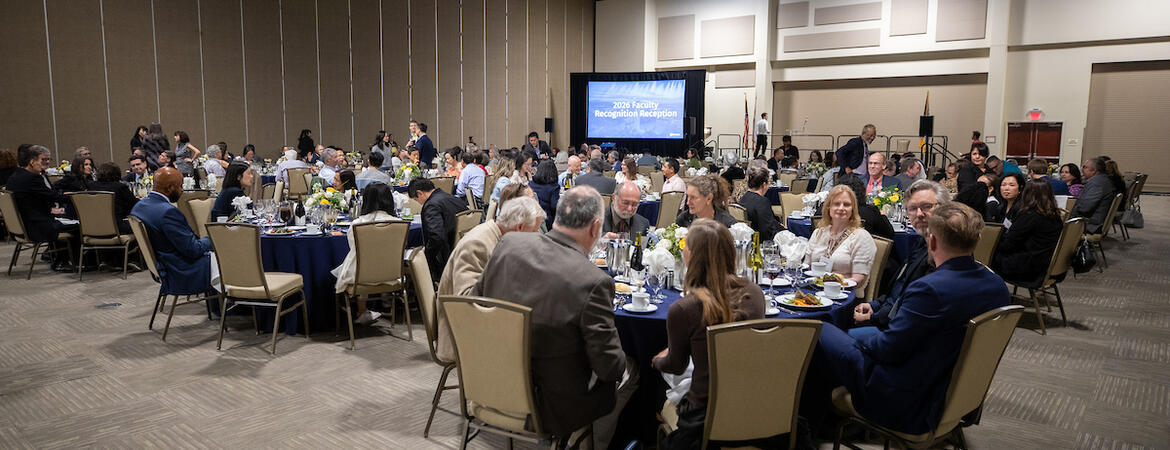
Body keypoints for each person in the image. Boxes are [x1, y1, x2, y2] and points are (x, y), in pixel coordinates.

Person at [804, 202, 1009, 436]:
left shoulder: (930, 289)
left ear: (932, 241)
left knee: (818, 329)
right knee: (844, 337)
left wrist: (860, 337)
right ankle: (821, 420)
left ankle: (807, 427)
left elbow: (888, 350)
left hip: (905, 398)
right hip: (948, 387)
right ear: (978, 238)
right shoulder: (997, 286)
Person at [472, 186, 628, 445]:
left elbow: (475, 303)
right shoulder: (593, 281)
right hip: (549, 406)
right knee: (630, 370)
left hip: (488, 383)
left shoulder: (509, 243)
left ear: (557, 217)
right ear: (595, 227)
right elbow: (609, 367)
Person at [654, 219, 767, 449]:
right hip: (757, 408)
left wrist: (656, 360)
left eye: (686, 246)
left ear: (693, 256)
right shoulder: (755, 293)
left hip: (706, 416)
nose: (683, 250)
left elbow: (675, 365)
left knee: (657, 384)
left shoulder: (685, 308)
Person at [435, 196, 545, 360]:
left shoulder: (500, 237)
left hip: (488, 322)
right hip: (466, 333)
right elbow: (465, 301)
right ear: (520, 227)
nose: (537, 236)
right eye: (535, 231)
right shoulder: (478, 244)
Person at [851, 180, 949, 337]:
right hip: (887, 315)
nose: (919, 214)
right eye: (912, 209)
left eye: (927, 206)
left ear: (944, 208)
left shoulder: (943, 252)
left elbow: (916, 309)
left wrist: (874, 317)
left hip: (898, 332)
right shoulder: (920, 243)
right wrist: (875, 305)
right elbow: (900, 288)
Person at [129, 167, 212, 294]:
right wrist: (212, 238)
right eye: (180, 186)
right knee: (227, 258)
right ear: (169, 188)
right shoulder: (168, 212)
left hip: (163, 266)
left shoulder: (139, 206)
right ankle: (230, 302)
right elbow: (193, 250)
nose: (182, 190)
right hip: (181, 271)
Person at [331, 183, 400, 324]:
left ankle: (361, 310)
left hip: (361, 277)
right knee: (372, 262)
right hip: (392, 275)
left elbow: (354, 250)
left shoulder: (358, 224)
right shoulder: (399, 223)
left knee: (358, 263)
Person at [8, 145, 77, 271]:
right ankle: (63, 261)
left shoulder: (16, 175)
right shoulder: (33, 178)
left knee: (64, 220)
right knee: (78, 226)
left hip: (22, 226)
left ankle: (53, 255)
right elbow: (53, 196)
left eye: (49, 159)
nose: (47, 162)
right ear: (32, 161)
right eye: (43, 159)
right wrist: (78, 198)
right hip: (36, 227)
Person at [805, 185, 877, 294]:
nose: (841, 208)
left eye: (847, 204)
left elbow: (859, 279)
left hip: (844, 294)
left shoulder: (861, 237)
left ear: (853, 209)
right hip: (814, 290)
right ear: (829, 207)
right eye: (836, 204)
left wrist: (829, 286)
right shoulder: (818, 233)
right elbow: (806, 267)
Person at [993, 178, 1063, 283]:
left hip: (1030, 269)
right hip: (1046, 263)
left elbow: (1008, 244)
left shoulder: (1029, 216)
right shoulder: (1055, 215)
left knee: (986, 256)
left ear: (1026, 194)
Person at [410, 178, 469, 281]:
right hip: (465, 250)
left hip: (447, 258)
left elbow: (436, 237)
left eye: (416, 200)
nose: (419, 203)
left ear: (419, 193)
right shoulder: (453, 198)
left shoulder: (431, 206)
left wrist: (426, 257)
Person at [838, 173, 895, 241]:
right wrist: (883, 216)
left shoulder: (830, 210)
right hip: (863, 246)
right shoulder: (870, 211)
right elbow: (889, 233)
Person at [87, 162, 139, 235]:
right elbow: (135, 205)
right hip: (116, 228)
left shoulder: (90, 186)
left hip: (92, 228)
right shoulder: (120, 187)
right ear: (117, 173)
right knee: (144, 224)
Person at [1071, 157, 1116, 234]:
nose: (1082, 169)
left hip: (1090, 224)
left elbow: (1085, 208)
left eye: (1085, 167)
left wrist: (1072, 210)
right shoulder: (1103, 179)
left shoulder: (1096, 184)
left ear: (1094, 171)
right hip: (1094, 220)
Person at [738, 165, 784, 240]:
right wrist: (784, 232)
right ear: (764, 185)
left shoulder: (743, 198)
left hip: (749, 238)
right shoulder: (762, 202)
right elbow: (768, 231)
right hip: (761, 240)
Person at [529, 160, 560, 230]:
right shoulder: (554, 187)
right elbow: (554, 206)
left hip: (532, 217)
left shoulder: (531, 184)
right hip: (547, 220)